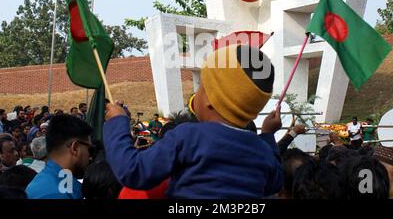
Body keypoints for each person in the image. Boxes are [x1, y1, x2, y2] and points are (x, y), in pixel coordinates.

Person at [104, 45, 283, 198]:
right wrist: (267, 136)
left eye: (201, 87)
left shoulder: (189, 136)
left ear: (209, 101)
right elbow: (275, 183)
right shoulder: (262, 151)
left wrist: (117, 122)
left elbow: (134, 171)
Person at [26, 115, 93, 199]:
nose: (90, 157)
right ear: (75, 148)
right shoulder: (55, 194)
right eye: (89, 149)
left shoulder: (51, 183)